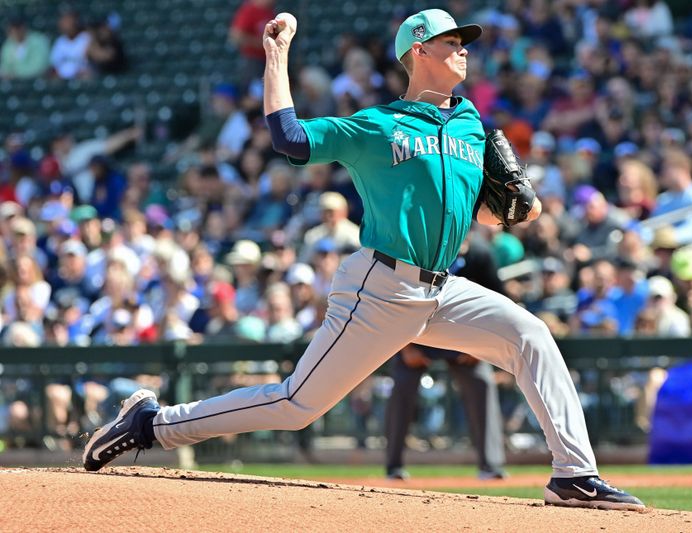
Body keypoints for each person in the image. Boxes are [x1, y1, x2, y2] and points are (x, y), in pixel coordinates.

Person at [83, 9, 644, 511]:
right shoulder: (379, 125)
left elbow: (491, 215)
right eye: (452, 42)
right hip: (379, 287)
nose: (464, 49)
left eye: (464, 42)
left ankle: (575, 475)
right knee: (296, 404)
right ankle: (152, 425)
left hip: (442, 288)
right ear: (418, 51)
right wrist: (276, 56)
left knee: (530, 336)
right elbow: (290, 138)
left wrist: (519, 208)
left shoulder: (473, 123)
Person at [385, 344, 506, 481]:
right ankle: (393, 467)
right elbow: (398, 321)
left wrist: (480, 347)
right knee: (402, 387)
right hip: (419, 337)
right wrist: (405, 348)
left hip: (461, 337)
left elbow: (486, 321)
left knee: (482, 383)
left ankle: (491, 466)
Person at [0, 15, 50, 80]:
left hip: (35, 82)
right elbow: (4, 68)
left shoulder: (38, 41)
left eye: (17, 28)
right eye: (12, 28)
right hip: (13, 85)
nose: (15, 31)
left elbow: (39, 68)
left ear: (23, 27)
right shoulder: (8, 45)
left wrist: (15, 74)